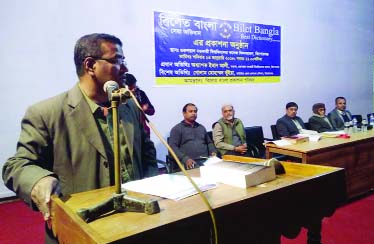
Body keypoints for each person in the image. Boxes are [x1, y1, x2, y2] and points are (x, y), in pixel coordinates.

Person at [2, 33, 158, 244]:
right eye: (117, 60)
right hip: (84, 230)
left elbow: (147, 151)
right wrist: (39, 179)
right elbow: (17, 165)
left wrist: (150, 188)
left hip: (138, 222)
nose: (125, 68)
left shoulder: (129, 105)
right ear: (90, 65)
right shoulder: (47, 113)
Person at [169, 103, 217, 170]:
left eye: (195, 111)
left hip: (206, 161)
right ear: (184, 113)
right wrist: (185, 159)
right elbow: (172, 147)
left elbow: (209, 143)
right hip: (189, 162)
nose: (193, 113)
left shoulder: (201, 127)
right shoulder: (177, 129)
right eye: (190, 111)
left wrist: (213, 152)